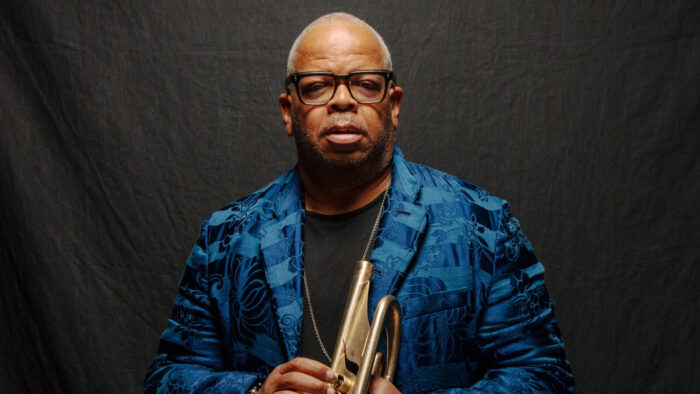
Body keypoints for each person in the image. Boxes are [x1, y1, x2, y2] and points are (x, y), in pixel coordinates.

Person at [144, 12, 574, 393]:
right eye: (316, 87)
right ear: (288, 111)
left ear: (394, 104)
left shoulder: (484, 223)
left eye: (366, 84)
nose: (343, 99)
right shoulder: (227, 234)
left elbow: (544, 376)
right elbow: (169, 377)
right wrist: (255, 392)